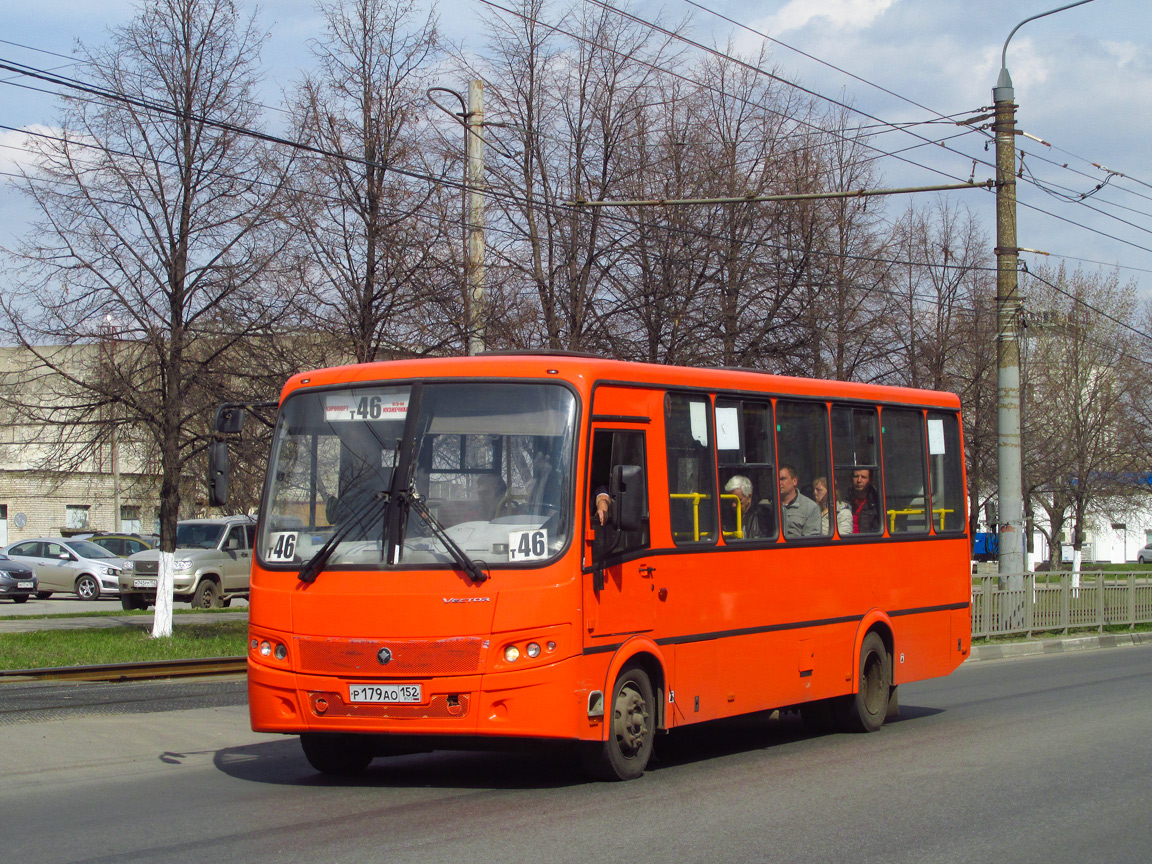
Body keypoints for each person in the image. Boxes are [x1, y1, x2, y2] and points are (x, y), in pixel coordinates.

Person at [778, 464, 822, 538]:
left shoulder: (811, 507)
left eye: (783, 479)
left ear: (794, 481)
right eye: (776, 479)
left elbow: (811, 541)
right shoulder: (768, 505)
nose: (779, 483)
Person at [723, 474, 771, 539]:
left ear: (749, 497)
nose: (733, 505)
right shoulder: (727, 517)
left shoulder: (761, 517)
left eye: (738, 500)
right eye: (730, 501)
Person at [850, 468, 881, 534]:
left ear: (870, 480)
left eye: (863, 477)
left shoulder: (877, 503)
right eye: (856, 476)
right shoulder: (844, 499)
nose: (859, 480)